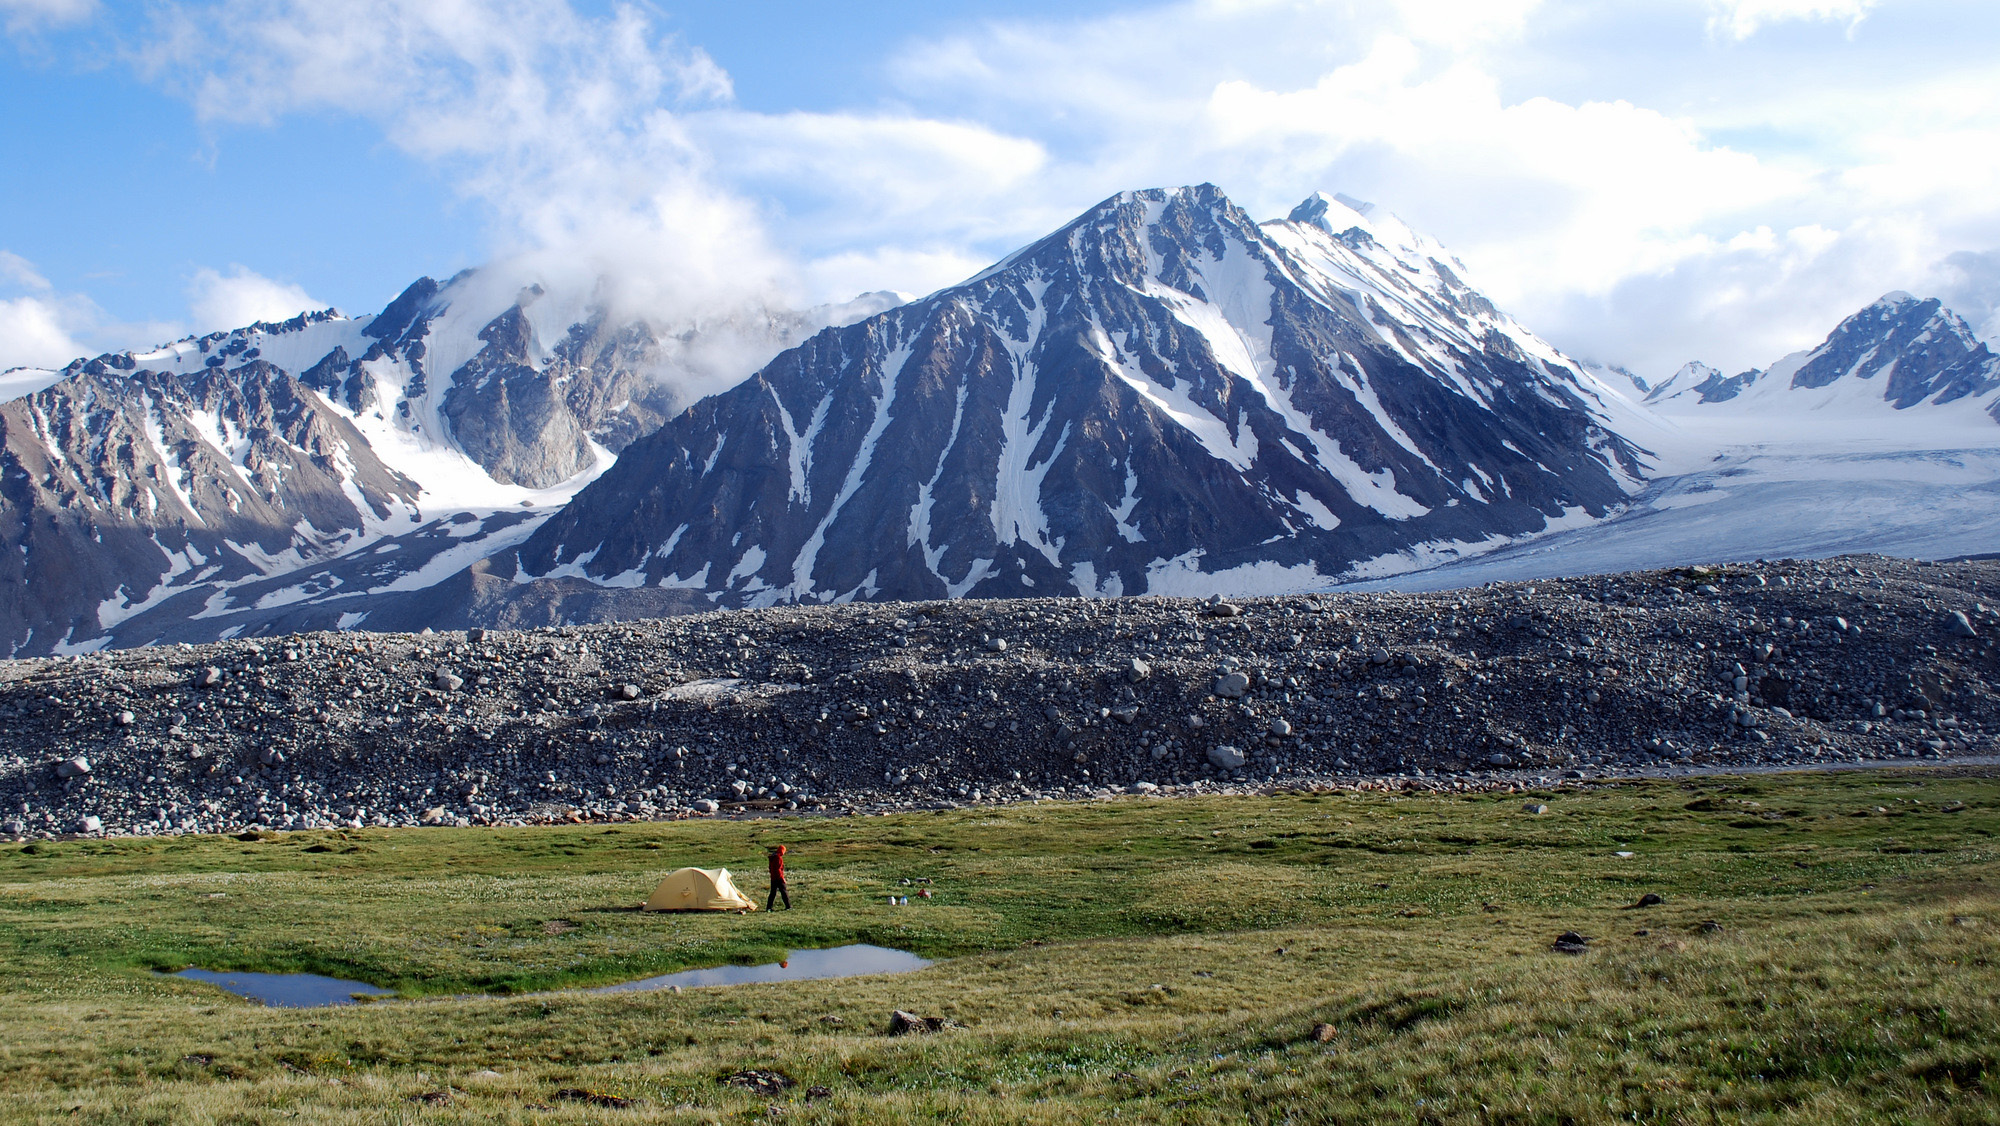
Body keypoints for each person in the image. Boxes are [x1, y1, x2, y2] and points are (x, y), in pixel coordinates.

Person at [766, 844, 791, 910]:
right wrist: (781, 878)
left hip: (773, 878)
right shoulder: (778, 858)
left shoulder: (772, 858)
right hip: (779, 878)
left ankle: (768, 907)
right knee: (784, 892)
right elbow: (779, 869)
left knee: (772, 893)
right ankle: (788, 906)